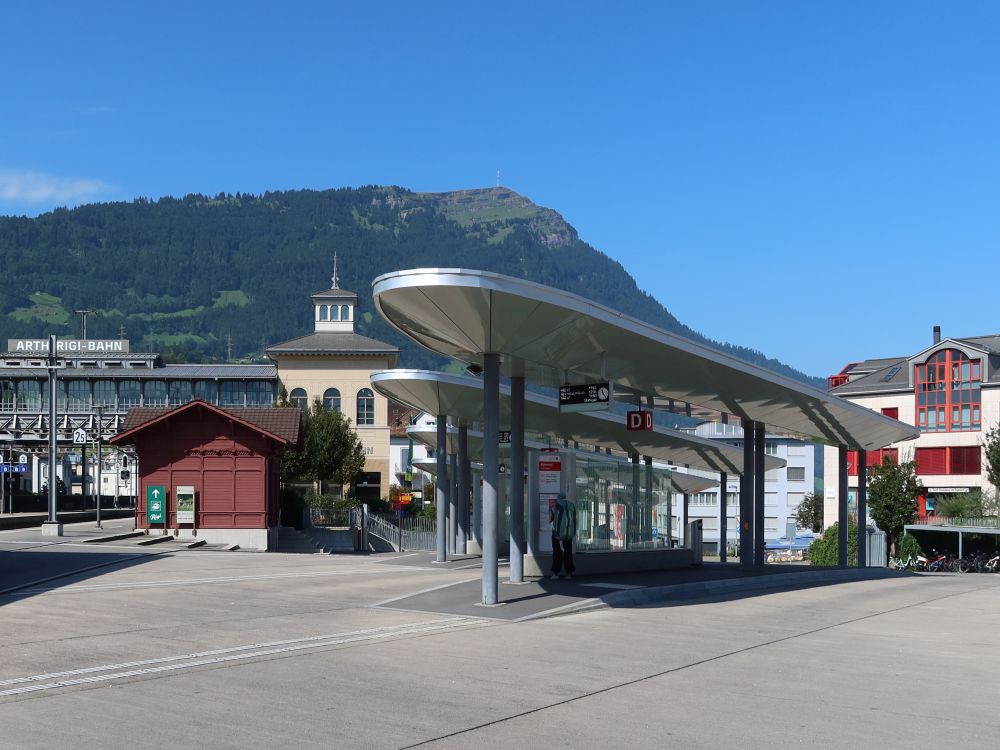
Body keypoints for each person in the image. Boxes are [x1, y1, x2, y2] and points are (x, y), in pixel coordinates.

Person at [549, 492, 577, 580]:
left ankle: (555, 573)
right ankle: (569, 573)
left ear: (558, 498)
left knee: (557, 552)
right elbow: (574, 519)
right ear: (565, 497)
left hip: (557, 533)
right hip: (568, 533)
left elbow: (550, 518)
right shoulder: (571, 505)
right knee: (568, 553)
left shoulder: (555, 505)